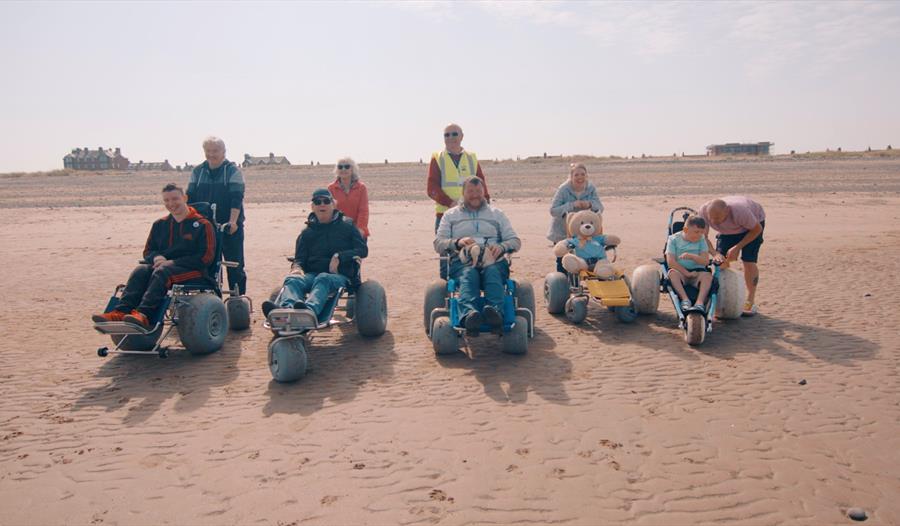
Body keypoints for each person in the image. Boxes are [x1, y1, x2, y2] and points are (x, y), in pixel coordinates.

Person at [92, 184, 216, 329]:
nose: (171, 204)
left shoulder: (203, 224)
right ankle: (121, 312)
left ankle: (143, 315)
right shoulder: (160, 224)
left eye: (175, 199)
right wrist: (156, 258)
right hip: (163, 267)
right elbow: (148, 251)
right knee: (141, 270)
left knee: (162, 272)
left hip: (194, 271)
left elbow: (206, 258)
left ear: (185, 198)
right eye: (167, 200)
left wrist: (172, 262)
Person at [261, 189, 368, 323]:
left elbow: (362, 250)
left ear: (333, 205)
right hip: (312, 274)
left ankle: (308, 312)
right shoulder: (307, 233)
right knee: (293, 280)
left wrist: (340, 256)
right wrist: (297, 268)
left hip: (340, 275)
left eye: (326, 201)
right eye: (318, 202)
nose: (322, 205)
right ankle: (284, 312)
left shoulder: (347, 226)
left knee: (323, 278)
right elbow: (299, 259)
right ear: (312, 207)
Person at [434, 177, 520, 336]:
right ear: (463, 193)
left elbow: (515, 241)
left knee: (492, 272)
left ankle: (495, 313)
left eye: (479, 191)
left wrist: (502, 246)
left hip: (494, 260)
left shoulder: (497, 214)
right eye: (471, 192)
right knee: (469, 274)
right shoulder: (450, 215)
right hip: (463, 262)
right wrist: (458, 242)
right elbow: (438, 243)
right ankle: (469, 316)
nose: (475, 195)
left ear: (484, 192)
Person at [187, 136, 247, 295]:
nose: (211, 154)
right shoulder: (197, 172)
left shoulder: (232, 171)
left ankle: (238, 298)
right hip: (204, 226)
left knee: (235, 264)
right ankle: (209, 297)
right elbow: (190, 199)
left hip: (229, 226)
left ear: (223, 152)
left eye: (215, 151)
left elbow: (236, 199)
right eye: (208, 151)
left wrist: (232, 222)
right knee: (206, 263)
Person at [698, 196, 766, 316]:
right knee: (720, 263)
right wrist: (715, 253)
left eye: (717, 218)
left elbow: (757, 229)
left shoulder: (740, 212)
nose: (714, 221)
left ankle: (750, 300)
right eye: (711, 218)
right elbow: (703, 238)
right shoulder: (703, 212)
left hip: (752, 227)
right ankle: (723, 297)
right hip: (727, 231)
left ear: (727, 211)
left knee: (748, 261)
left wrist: (737, 247)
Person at [427, 123, 490, 233]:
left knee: (472, 249)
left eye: (454, 134)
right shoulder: (437, 158)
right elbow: (432, 189)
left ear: (462, 136)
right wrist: (451, 203)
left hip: (471, 215)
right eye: (446, 135)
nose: (450, 137)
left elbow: (482, 185)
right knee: (446, 249)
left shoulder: (471, 158)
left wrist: (486, 207)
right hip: (445, 216)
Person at [547, 162, 604, 273]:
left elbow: (600, 208)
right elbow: (553, 210)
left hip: (584, 233)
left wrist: (590, 204)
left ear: (586, 175)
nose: (580, 177)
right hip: (562, 232)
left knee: (585, 260)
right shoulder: (563, 189)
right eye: (576, 175)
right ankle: (562, 285)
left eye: (582, 174)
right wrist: (572, 205)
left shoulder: (590, 188)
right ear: (571, 176)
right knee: (563, 262)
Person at [665, 215, 715, 312]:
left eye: (701, 232)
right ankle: (685, 299)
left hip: (698, 272)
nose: (699, 235)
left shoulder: (701, 239)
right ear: (685, 229)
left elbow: (705, 261)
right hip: (680, 272)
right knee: (672, 273)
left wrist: (692, 256)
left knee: (708, 276)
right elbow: (670, 262)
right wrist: (686, 273)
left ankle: (700, 302)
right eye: (696, 232)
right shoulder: (673, 239)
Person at [327, 157, 370, 238]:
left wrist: (360, 229)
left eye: (347, 166)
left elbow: (363, 211)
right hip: (338, 231)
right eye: (340, 167)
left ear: (352, 169)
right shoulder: (331, 188)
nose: (343, 169)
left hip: (357, 231)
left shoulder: (361, 187)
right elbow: (330, 211)